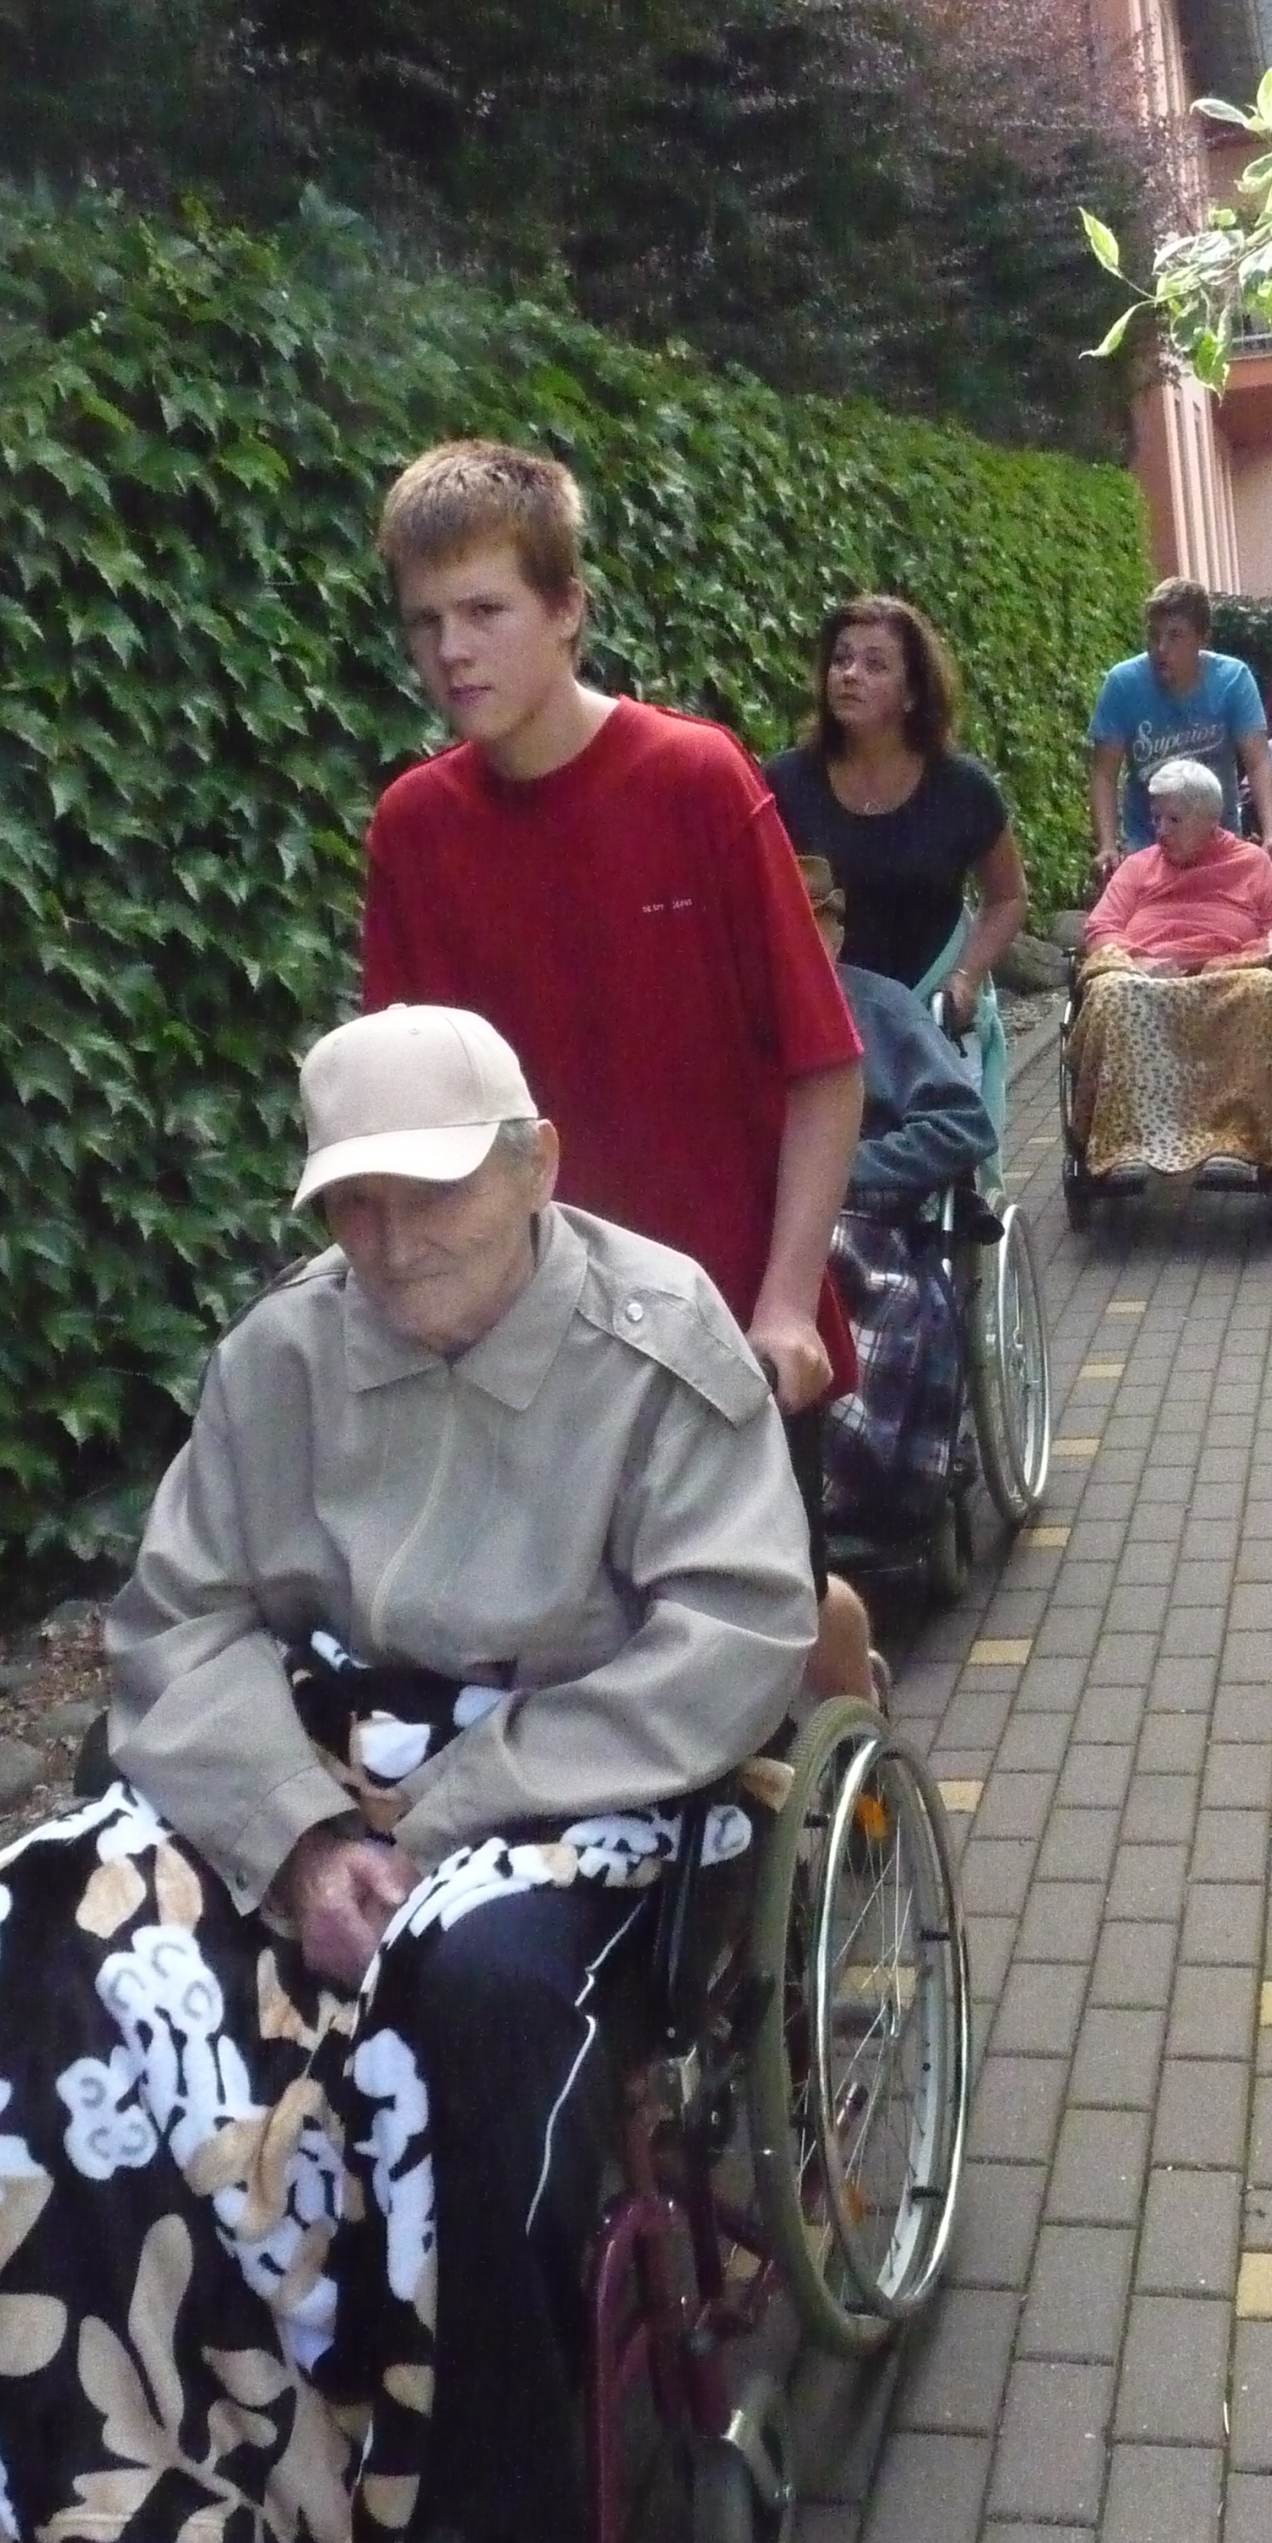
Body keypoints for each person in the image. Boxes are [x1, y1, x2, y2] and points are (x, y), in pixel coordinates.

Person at [0, 1005, 817, 2543]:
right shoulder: (284, 1354)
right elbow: (181, 1622)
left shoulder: (658, 1339)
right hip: (298, 1767)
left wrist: (451, 1811)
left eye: (428, 1196)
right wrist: (301, 1838)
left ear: (535, 1168)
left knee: (478, 2000)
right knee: (5, 1947)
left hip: (575, 1768)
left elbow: (736, 1633)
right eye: (350, 1206)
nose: (386, 1244)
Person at [359, 439, 877, 1708]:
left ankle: (844, 1685)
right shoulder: (414, 828)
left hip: (726, 1328)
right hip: (532, 1342)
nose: (451, 651)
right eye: (424, 622)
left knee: (761, 1644)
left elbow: (822, 1069)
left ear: (567, 610)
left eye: (485, 610)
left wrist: (785, 1302)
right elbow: (406, 1120)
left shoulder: (693, 778)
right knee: (575, 1665)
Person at [762, 598, 1027, 1153]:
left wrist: (966, 977)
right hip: (830, 1014)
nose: (849, 674)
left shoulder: (962, 788)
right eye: (841, 660)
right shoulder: (786, 783)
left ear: (912, 694)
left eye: (875, 664)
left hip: (933, 1010)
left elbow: (1006, 897)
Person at [798, 857, 999, 1541]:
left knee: (835, 1265)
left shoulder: (881, 1009)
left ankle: (840, 1487)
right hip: (756, 1214)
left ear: (835, 931)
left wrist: (838, 1170)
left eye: (811, 925)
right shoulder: (727, 1012)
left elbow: (963, 1125)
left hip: (868, 1218)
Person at [1067, 760, 1272, 1190]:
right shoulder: (1138, 866)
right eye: (1156, 818)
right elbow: (1101, 928)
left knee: (1265, 992)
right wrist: (1137, 961)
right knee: (1110, 992)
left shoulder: (1252, 864)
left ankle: (1240, 1144)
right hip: (1144, 978)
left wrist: (1231, 961)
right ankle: (1124, 1146)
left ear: (1210, 819)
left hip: (1226, 976)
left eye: (1173, 820)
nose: (1160, 830)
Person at [1088, 576, 1272, 890]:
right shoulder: (1123, 684)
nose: (1161, 648)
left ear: (1202, 638)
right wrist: (1107, 844)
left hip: (1218, 840)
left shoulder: (1232, 680)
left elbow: (1258, 762)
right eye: (1154, 635)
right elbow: (1104, 773)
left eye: (1175, 636)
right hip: (1148, 845)